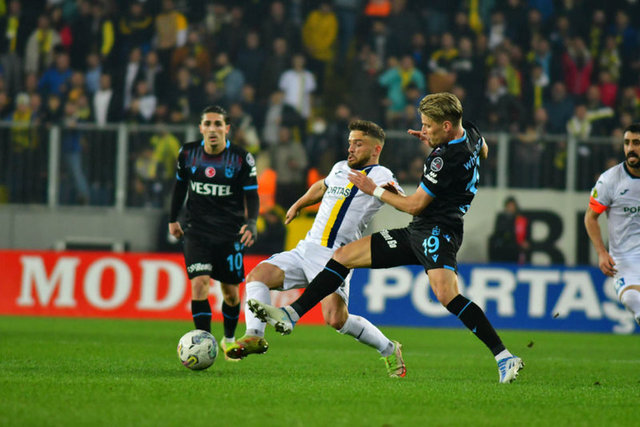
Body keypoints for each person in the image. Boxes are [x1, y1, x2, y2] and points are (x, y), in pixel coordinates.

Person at [249, 92, 524, 383]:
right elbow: (483, 151)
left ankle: (504, 356)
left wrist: (374, 190)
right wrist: (436, 140)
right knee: (343, 257)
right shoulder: (469, 132)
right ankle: (291, 314)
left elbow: (415, 205)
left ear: (446, 126)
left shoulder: (442, 160)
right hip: (418, 230)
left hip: (439, 231)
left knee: (448, 296)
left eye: (428, 125)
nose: (423, 130)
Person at [226, 119, 406, 377]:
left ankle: (389, 348)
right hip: (307, 247)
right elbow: (321, 186)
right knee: (258, 276)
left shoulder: (381, 175)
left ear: (376, 149)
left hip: (336, 257)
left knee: (336, 319)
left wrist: (379, 192)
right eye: (350, 143)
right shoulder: (340, 168)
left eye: (358, 144)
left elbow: (402, 201)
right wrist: (299, 204)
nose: (351, 148)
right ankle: (254, 335)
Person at [168, 105, 259, 360]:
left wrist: (252, 223)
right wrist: (172, 219)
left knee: (231, 294)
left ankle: (228, 339)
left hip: (230, 233)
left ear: (227, 128)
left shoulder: (241, 159)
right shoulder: (188, 153)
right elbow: (179, 187)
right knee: (199, 284)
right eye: (207, 124)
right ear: (200, 128)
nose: (212, 129)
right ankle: (204, 343)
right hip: (196, 230)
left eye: (218, 124)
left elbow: (252, 195)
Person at [584, 123, 640, 326]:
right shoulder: (610, 180)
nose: (630, 148)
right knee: (632, 299)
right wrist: (601, 252)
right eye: (627, 143)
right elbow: (590, 217)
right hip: (624, 260)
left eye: (636, 143)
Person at [489, 196, 530, 264]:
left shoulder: (520, 219)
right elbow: (499, 231)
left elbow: (524, 233)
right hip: (504, 243)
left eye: (512, 206)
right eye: (509, 206)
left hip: (515, 245)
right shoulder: (501, 217)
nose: (511, 208)